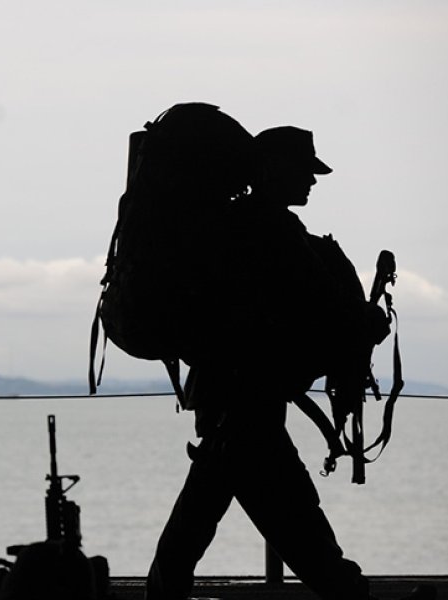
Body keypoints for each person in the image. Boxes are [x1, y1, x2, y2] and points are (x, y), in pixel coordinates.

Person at [145, 125, 430, 600]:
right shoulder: (272, 229)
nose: (313, 181)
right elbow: (322, 309)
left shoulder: (234, 225)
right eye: (305, 170)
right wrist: (368, 323)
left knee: (208, 522)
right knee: (297, 524)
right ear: (274, 169)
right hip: (247, 403)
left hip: (226, 397)